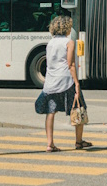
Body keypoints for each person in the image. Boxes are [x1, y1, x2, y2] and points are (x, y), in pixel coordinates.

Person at [34, 15, 91, 152]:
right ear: (67, 28)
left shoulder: (50, 43)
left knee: (50, 111)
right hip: (66, 80)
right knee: (78, 107)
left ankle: (50, 144)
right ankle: (78, 141)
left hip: (51, 81)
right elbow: (70, 64)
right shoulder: (69, 42)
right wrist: (77, 83)